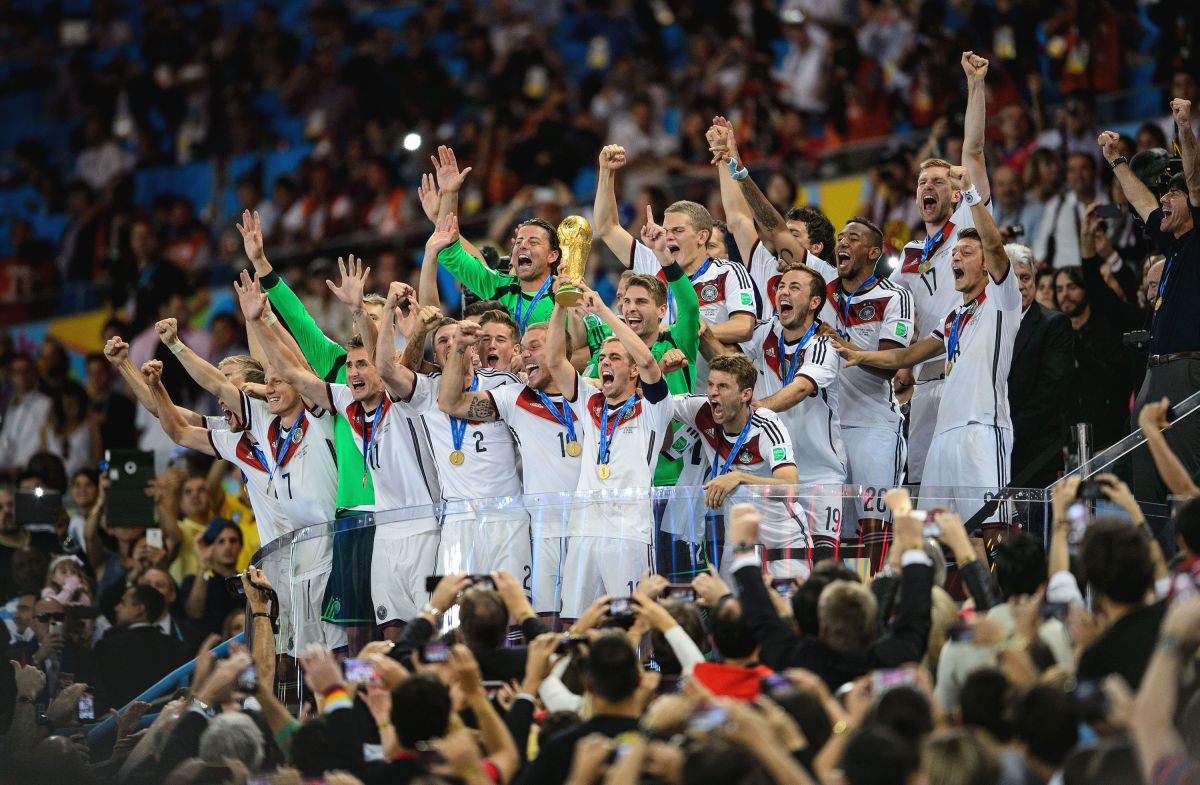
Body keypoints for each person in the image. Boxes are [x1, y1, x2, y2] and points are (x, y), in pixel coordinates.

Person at [239, 275, 439, 631]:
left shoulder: (405, 394)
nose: (354, 371)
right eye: (349, 365)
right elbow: (293, 370)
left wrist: (364, 309)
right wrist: (258, 321)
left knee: (430, 629)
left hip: (422, 525)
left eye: (362, 364)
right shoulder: (345, 398)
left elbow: (390, 366)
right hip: (373, 526)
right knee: (378, 629)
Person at [839, 165, 1019, 533]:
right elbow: (908, 355)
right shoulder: (954, 315)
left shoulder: (1003, 299)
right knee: (934, 535)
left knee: (991, 531)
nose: (955, 258)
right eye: (956, 254)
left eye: (966, 253)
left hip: (982, 427)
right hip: (942, 435)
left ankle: (1002, 592)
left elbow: (997, 248)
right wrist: (859, 355)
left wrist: (970, 193)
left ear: (987, 265)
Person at [139, 359, 345, 653]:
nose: (220, 396)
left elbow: (218, 384)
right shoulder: (233, 437)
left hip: (323, 556)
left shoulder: (284, 422)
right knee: (293, 660)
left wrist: (175, 345)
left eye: (230, 381)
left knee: (334, 651)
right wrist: (130, 369)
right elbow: (176, 426)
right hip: (282, 567)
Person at [890, 53, 992, 488]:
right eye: (921, 183)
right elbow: (896, 316)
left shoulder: (967, 227)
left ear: (955, 195)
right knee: (920, 492)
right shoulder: (910, 254)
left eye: (937, 182)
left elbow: (973, 152)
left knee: (968, 495)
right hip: (925, 386)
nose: (926, 187)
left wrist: (974, 85)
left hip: (965, 381)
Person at [437, 314, 584, 617]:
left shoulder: (592, 396)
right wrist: (460, 349)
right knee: (544, 622)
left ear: (559, 351)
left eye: (535, 347)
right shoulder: (513, 397)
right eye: (524, 348)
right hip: (543, 530)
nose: (525, 354)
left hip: (591, 526)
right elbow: (450, 403)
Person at [543, 280, 673, 619]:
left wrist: (602, 311)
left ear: (632, 371)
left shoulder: (654, 408)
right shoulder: (589, 401)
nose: (605, 363)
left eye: (615, 358)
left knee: (634, 623)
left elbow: (646, 358)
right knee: (575, 624)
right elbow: (555, 361)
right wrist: (561, 302)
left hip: (629, 533)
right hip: (584, 530)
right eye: (602, 357)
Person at [704, 263, 847, 564]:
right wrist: (702, 333)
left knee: (822, 567)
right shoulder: (767, 330)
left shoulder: (823, 345)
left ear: (814, 303)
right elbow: (730, 365)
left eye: (795, 287)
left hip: (819, 475)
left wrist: (753, 408)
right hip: (776, 471)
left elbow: (799, 389)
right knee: (774, 564)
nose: (784, 291)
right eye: (781, 285)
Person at [593, 143, 759, 386]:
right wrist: (606, 172)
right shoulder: (652, 260)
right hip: (666, 389)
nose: (668, 237)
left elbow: (744, 326)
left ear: (702, 237)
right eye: (666, 230)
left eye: (678, 231)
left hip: (714, 393)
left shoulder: (728, 271)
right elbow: (607, 227)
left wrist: (683, 331)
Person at [1101, 99, 1200, 504]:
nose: (1163, 200)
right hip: (1154, 375)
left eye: (1171, 195)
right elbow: (1142, 204)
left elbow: (1194, 179)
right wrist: (1116, 162)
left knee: (1186, 483)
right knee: (1148, 488)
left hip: (1187, 371)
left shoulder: (1196, 240)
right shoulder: (1172, 243)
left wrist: (1183, 128)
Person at [727, 503, 932, 689]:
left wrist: (744, 548)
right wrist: (913, 544)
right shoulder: (894, 659)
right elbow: (916, 616)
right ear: (873, 627)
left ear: (821, 629)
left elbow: (763, 620)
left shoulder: (795, 665)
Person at [826, 217, 915, 569]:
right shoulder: (823, 292)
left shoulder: (894, 296)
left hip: (874, 427)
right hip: (828, 432)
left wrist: (846, 347)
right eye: (841, 237)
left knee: (875, 529)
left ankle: (880, 596)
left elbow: (891, 364)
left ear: (873, 252)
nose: (842, 242)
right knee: (838, 533)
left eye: (853, 238)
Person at [671, 353, 807, 576]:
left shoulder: (766, 425)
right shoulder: (702, 409)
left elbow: (791, 487)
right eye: (711, 384)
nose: (713, 392)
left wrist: (740, 478)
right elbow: (657, 401)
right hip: (740, 540)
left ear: (746, 394)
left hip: (782, 539)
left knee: (788, 609)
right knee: (732, 608)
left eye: (723, 386)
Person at [512, 632, 647, 785]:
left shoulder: (561, 747)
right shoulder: (661, 751)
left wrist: (531, 682)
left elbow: (512, 769)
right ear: (639, 681)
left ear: (586, 684)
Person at [1006, 244, 1072, 488]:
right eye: (1014, 279)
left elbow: (1051, 390)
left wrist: (1008, 431)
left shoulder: (1053, 325)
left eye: (1026, 277)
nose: (1022, 285)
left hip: (1035, 453)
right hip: (993, 451)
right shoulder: (989, 325)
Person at [93, 584, 190, 709]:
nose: (116, 608)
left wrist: (84, 720)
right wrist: (207, 708)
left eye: (122, 603)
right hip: (167, 722)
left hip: (116, 725)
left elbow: (96, 694)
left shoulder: (107, 646)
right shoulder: (179, 648)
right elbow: (192, 695)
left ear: (139, 609)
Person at [1033, 152, 1106, 269]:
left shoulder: (1108, 202)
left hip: (1102, 275)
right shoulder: (1056, 204)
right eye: (1072, 170)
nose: (1078, 175)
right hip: (1064, 278)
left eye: (1084, 168)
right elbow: (1040, 248)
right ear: (1066, 175)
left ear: (1095, 172)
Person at [179, 519, 246, 640]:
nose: (228, 546)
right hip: (210, 651)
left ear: (241, 546)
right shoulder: (193, 581)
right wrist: (204, 562)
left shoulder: (248, 582)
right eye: (220, 541)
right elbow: (194, 613)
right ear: (210, 546)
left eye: (233, 540)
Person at [0, 354, 52, 477]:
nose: (22, 376)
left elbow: (43, 441)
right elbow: (6, 439)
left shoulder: (46, 404)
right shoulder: (11, 405)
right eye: (17, 372)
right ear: (11, 376)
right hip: (7, 472)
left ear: (34, 374)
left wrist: (25, 466)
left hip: (31, 472)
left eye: (27, 371)